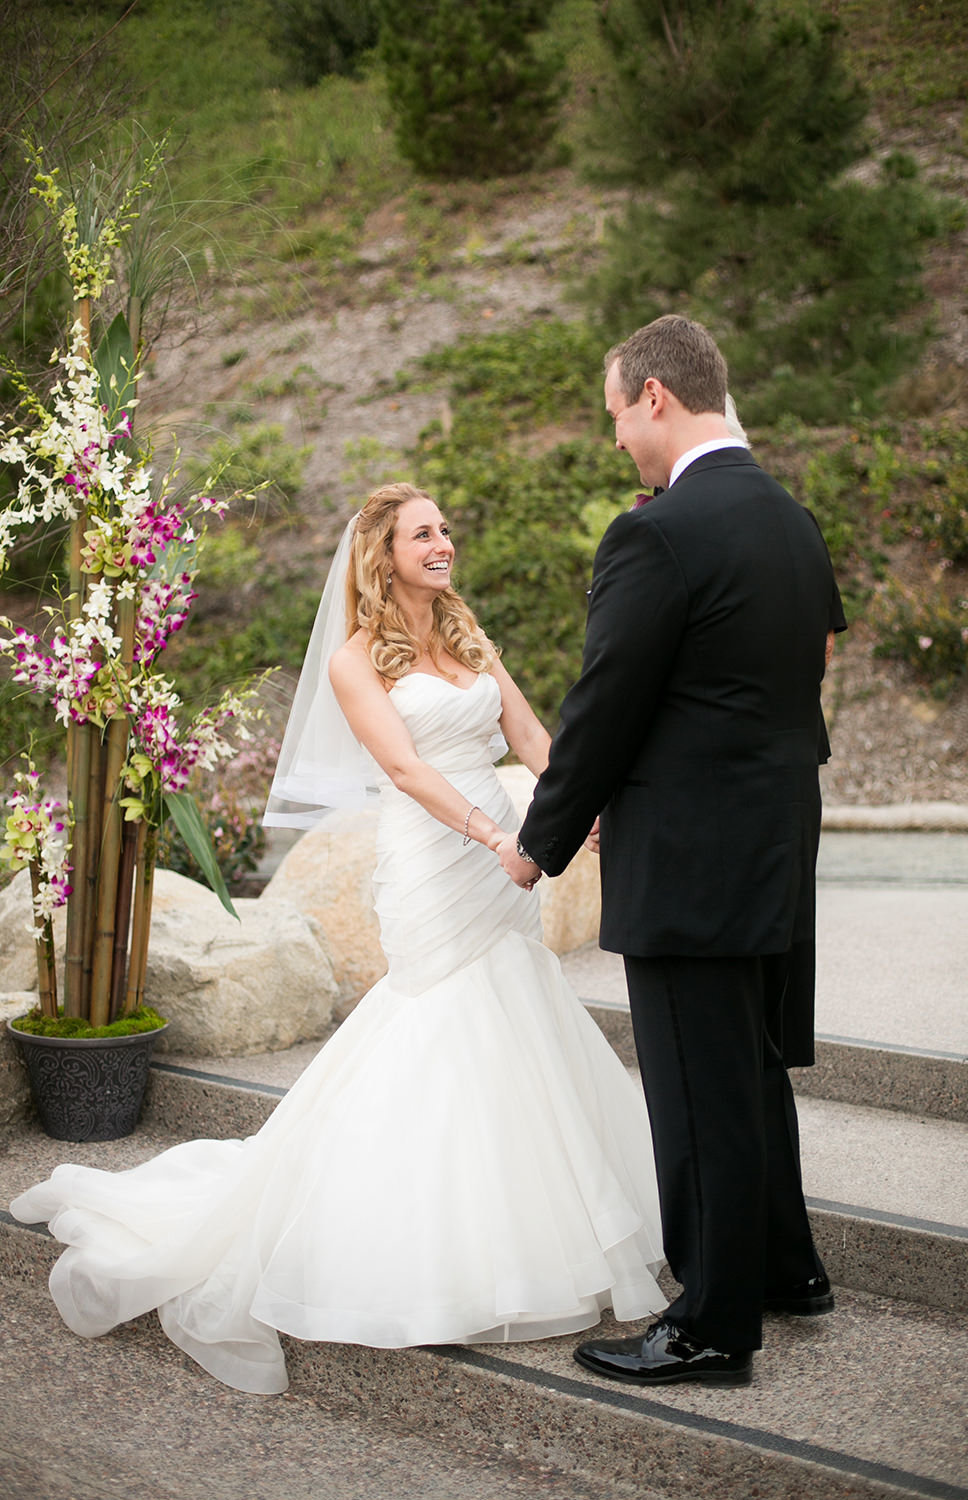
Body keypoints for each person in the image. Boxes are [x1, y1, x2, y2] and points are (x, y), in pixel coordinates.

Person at [10, 482, 667, 1395]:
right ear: (382, 554)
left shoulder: (467, 633)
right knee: (440, 1017)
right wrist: (495, 836)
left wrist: (572, 805)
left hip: (506, 856)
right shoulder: (358, 661)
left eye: (446, 527)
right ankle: (420, 1248)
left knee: (514, 1000)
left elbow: (527, 732)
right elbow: (400, 766)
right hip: (437, 859)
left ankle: (522, 1226)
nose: (444, 542)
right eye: (423, 533)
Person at [497, 315, 846, 1388]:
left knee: (697, 1088)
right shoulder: (789, 520)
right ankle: (787, 1271)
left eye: (615, 415)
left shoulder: (656, 532)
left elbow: (606, 704)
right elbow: (812, 662)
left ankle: (709, 1323)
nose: (615, 443)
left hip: (691, 855)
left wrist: (538, 842)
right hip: (775, 841)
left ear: (655, 395)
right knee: (749, 1068)